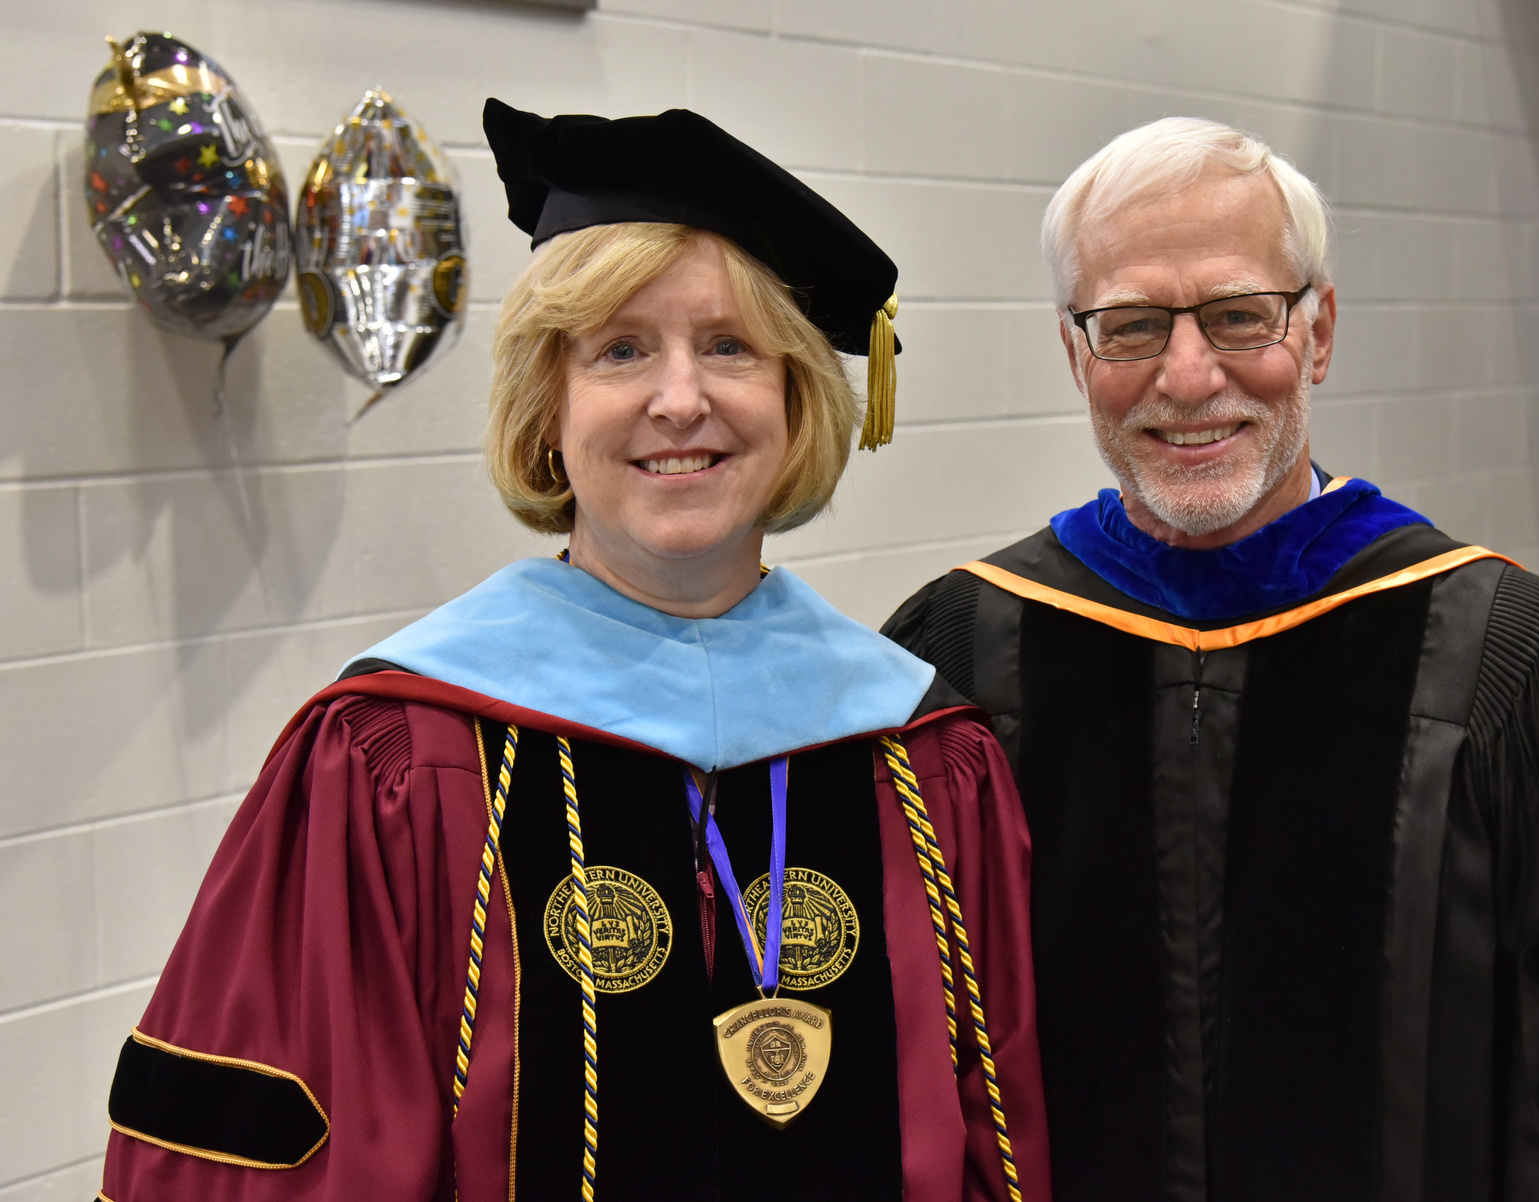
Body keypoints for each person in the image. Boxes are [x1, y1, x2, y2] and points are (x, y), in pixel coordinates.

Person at [99, 101, 1049, 1202]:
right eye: (621, 349)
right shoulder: (395, 754)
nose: (680, 398)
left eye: (732, 346)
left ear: (796, 399)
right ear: (549, 405)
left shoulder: (919, 751)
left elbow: (999, 1132)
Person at [884, 117, 1539, 1202]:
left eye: (1241, 315)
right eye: (1133, 325)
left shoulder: (1510, 659)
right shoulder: (965, 652)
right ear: (1075, 352)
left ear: (1321, 330)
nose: (1190, 375)